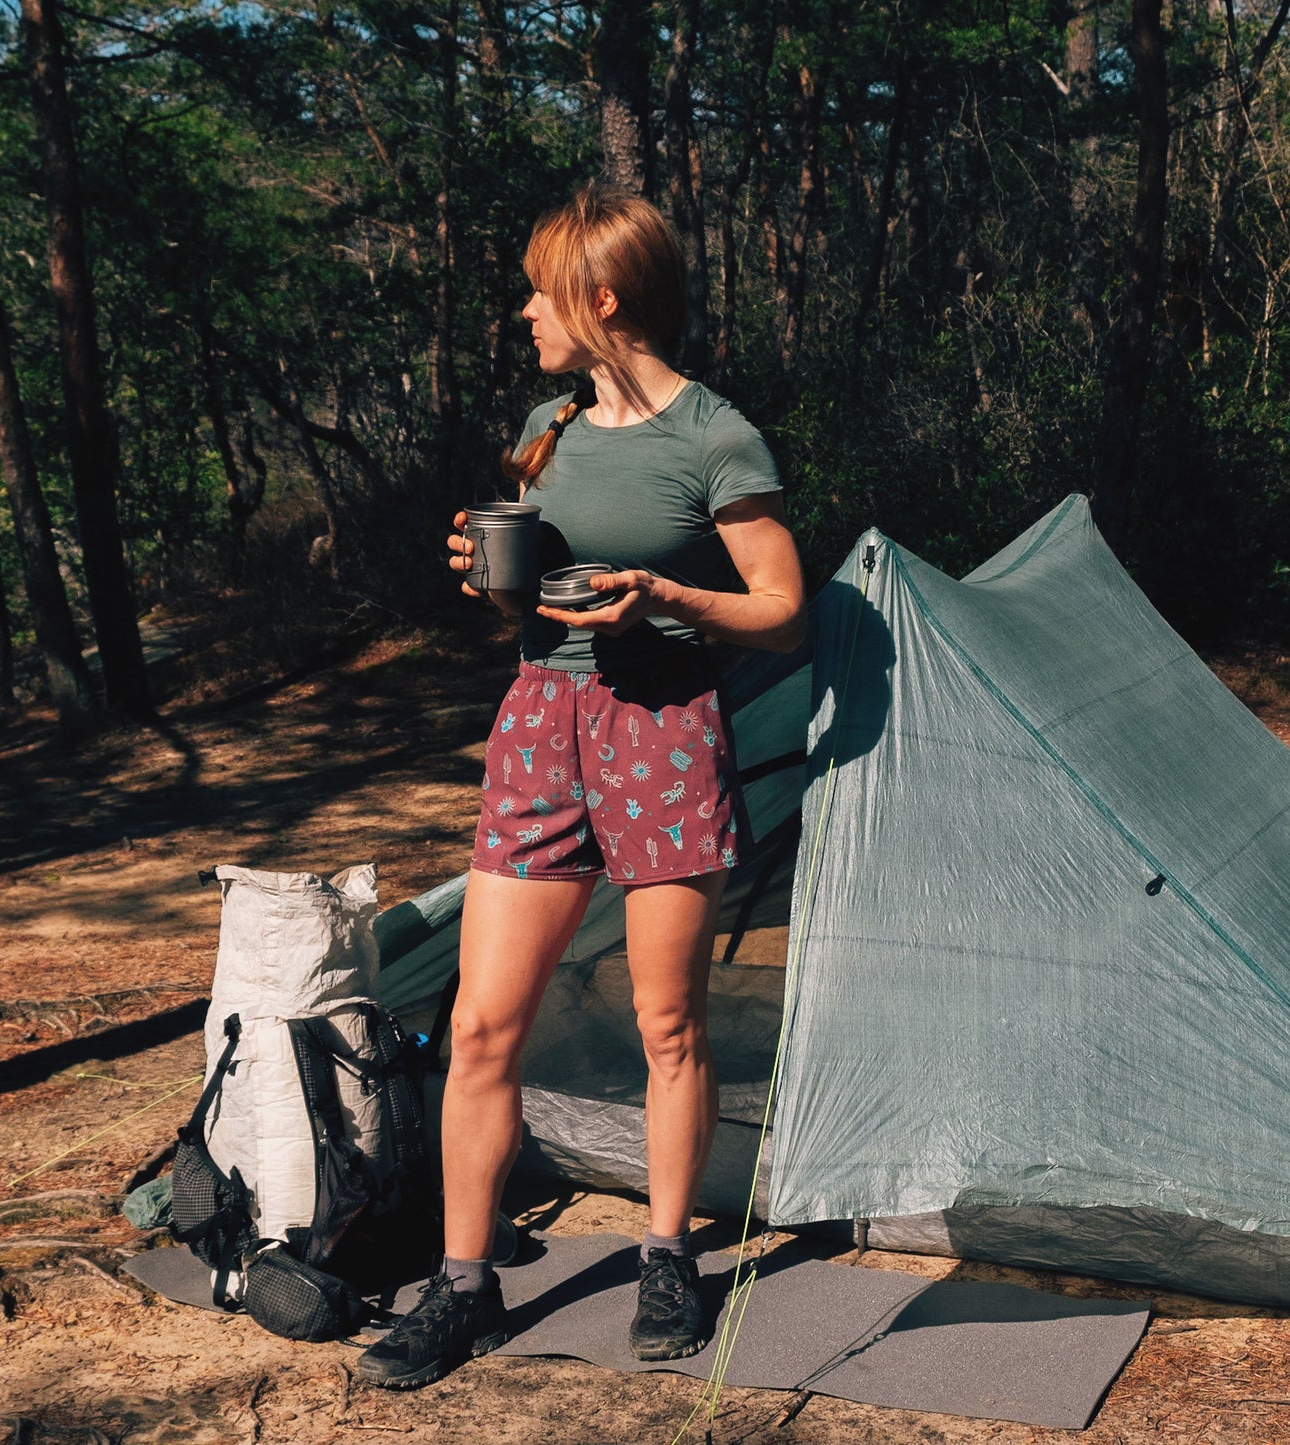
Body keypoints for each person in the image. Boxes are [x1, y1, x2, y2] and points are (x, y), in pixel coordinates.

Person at [356, 181, 805, 1391]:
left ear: (598, 299)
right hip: (538, 724)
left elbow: (779, 606)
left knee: (667, 1021)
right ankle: (461, 1281)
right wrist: (489, 581)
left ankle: (666, 1254)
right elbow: (537, 591)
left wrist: (667, 597)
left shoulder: (716, 437)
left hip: (661, 727)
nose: (522, 311)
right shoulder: (544, 427)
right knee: (479, 1021)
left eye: (539, 290)